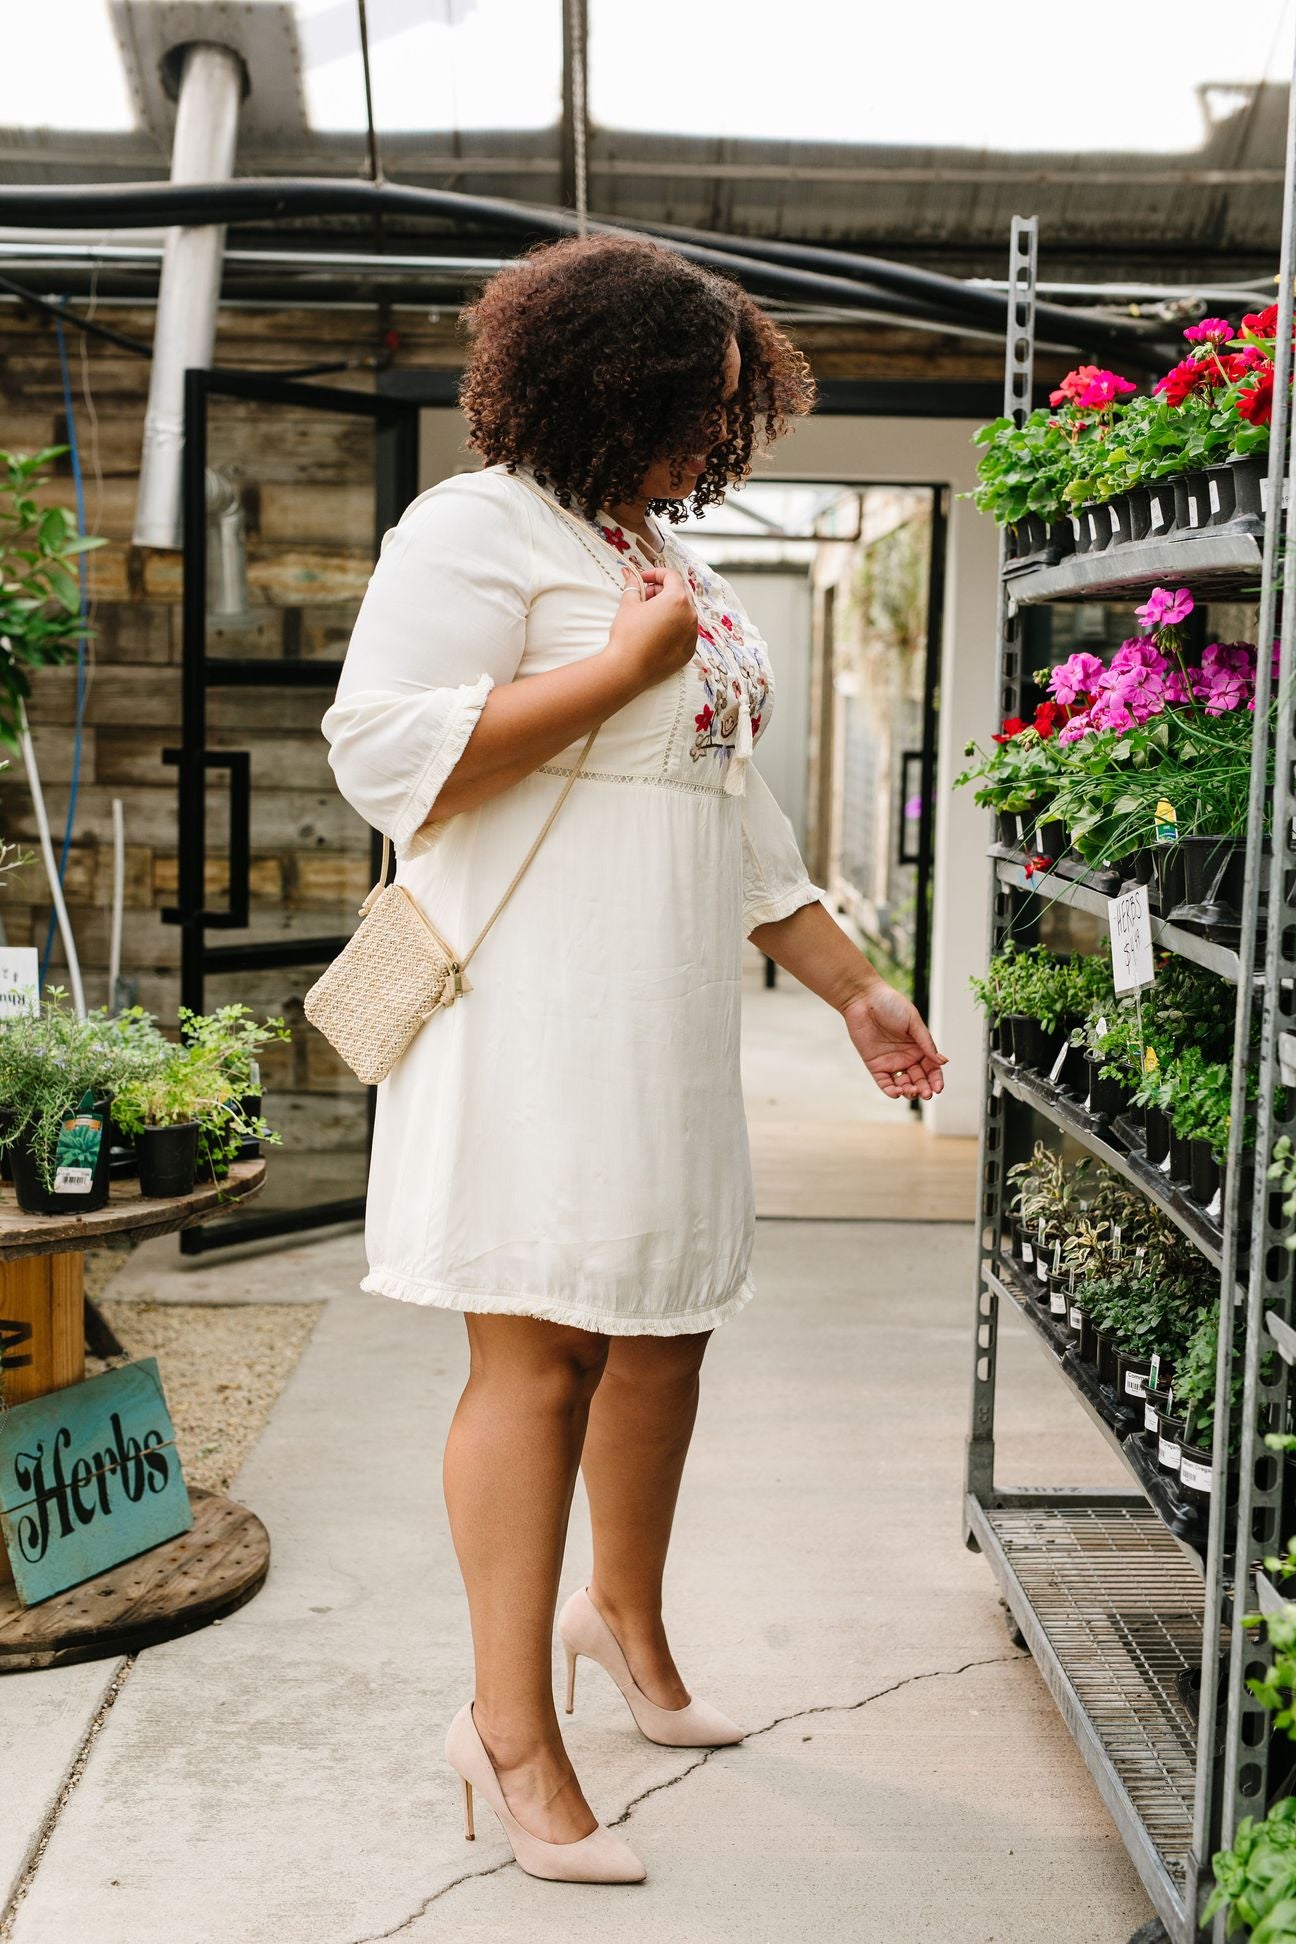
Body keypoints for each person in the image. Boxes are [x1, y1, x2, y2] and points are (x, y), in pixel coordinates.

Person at [322, 232, 946, 1885]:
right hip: (533, 1012)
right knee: (541, 1364)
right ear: (606, 386)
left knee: (664, 1334)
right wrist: (614, 671)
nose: (711, 444)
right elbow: (386, 758)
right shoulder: (475, 528)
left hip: (659, 1019)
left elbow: (730, 811)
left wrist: (852, 989)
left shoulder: (655, 548)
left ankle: (625, 1625)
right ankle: (509, 1729)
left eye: (728, 415)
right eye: (693, 408)